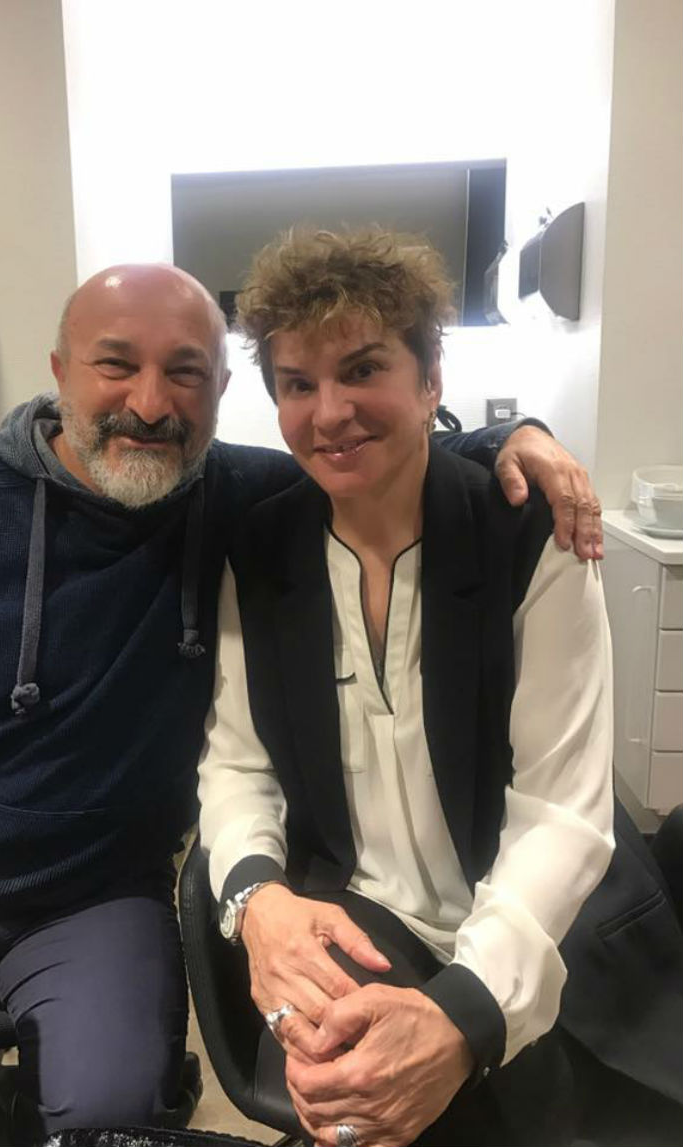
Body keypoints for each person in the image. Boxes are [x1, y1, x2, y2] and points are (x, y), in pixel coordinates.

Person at [0, 261, 603, 1146]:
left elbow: (376, 455)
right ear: (60, 372)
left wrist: (516, 441)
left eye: (185, 372)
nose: (151, 404)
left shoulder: (239, 497)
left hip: (99, 895)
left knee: (108, 1120)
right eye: (116, 364)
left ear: (222, 390)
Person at [197, 228, 683, 1146]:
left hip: (551, 932)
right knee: (347, 1093)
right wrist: (255, 896)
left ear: (430, 380)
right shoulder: (258, 551)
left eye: (362, 369)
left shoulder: (531, 538)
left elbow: (562, 813)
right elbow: (237, 764)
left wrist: (465, 1011)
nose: (329, 411)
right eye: (297, 384)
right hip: (368, 921)